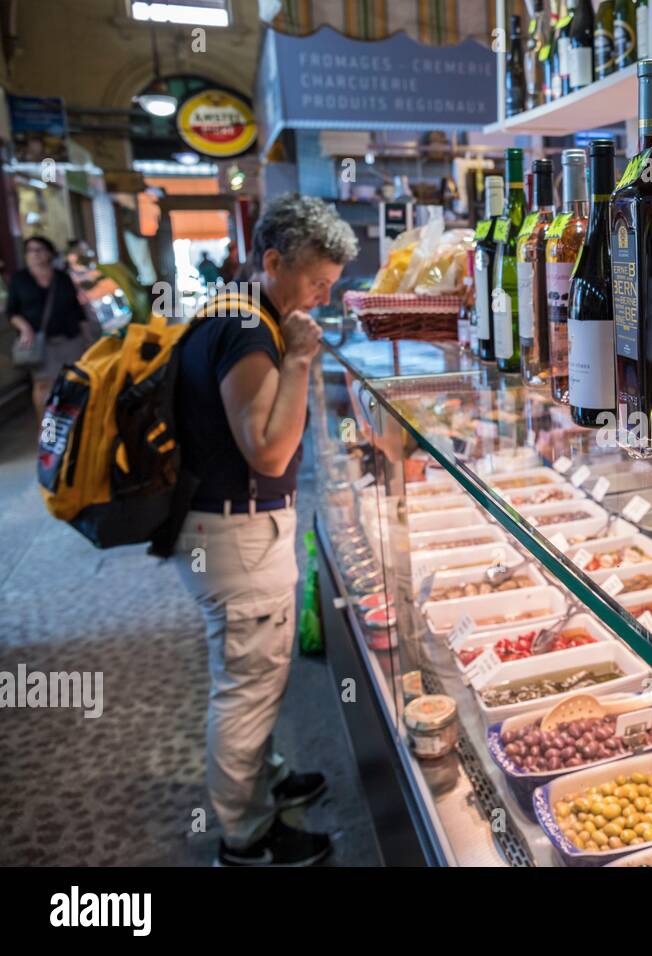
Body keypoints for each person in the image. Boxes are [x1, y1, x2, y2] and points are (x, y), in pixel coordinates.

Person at [170, 194, 357, 867]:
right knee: (245, 687)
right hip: (236, 536)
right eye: (314, 283)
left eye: (330, 286)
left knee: (254, 675)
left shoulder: (230, 308)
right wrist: (302, 358)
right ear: (273, 261)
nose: (322, 298)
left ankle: (266, 778)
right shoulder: (251, 329)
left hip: (225, 531)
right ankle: (245, 837)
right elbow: (268, 452)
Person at [7, 235, 99, 414]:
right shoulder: (20, 279)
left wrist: (88, 338)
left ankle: (70, 427)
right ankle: (46, 430)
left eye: (39, 249)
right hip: (40, 343)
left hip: (69, 339)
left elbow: (77, 310)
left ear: (49, 253)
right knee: (43, 385)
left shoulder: (62, 278)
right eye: (30, 250)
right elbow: (12, 312)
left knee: (73, 382)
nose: (35, 254)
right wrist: (24, 328)